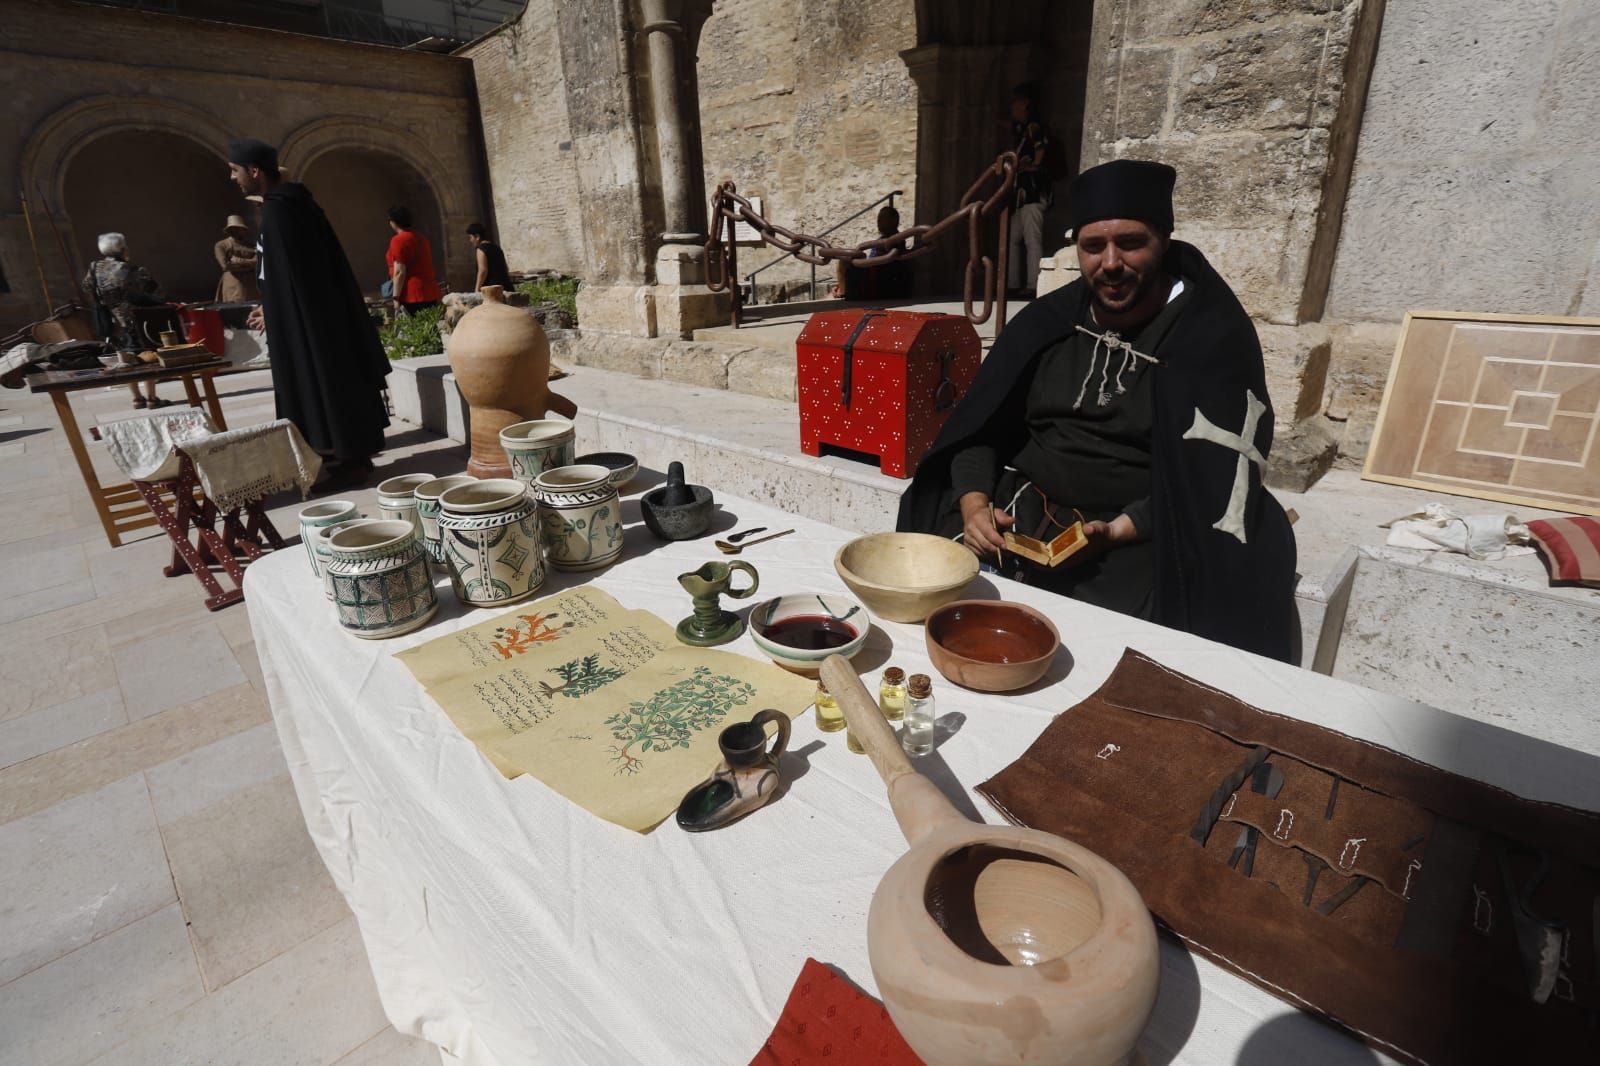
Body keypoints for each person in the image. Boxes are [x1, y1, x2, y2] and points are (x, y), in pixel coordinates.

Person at [898, 159, 1297, 662]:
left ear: (1164, 240)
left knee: (1128, 648)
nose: (1110, 262)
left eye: (1130, 242)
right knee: (931, 582)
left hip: (1139, 529)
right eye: (1093, 246)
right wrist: (975, 505)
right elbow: (980, 427)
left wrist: (1120, 531)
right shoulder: (1049, 321)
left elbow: (1217, 476)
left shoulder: (1211, 337)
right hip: (1022, 507)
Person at [227, 138, 391, 487]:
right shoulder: (290, 206)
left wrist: (275, 310)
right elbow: (285, 273)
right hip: (311, 317)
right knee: (331, 383)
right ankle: (349, 457)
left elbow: (299, 278)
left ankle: (343, 462)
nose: (232, 177)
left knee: (321, 384)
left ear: (254, 171)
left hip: (309, 323)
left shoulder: (281, 210)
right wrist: (269, 305)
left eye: (235, 170)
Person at [82, 232, 170, 409]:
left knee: (125, 361)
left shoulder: (94, 267)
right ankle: (152, 398)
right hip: (137, 320)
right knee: (148, 358)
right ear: (122, 249)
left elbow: (86, 287)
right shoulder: (133, 270)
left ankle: (137, 399)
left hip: (113, 322)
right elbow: (158, 293)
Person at [1006, 84, 1051, 299]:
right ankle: (1012, 283)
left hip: (1032, 192)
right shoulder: (1022, 130)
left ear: (1025, 103)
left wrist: (1030, 165)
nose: (1012, 106)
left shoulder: (1034, 127)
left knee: (1032, 239)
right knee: (1012, 239)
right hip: (1020, 196)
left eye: (1015, 101)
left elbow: (1040, 150)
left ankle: (1034, 285)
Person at [830, 205, 910, 300]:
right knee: (846, 258)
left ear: (894, 221)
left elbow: (887, 264)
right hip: (874, 273)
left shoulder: (896, 240)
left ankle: (843, 292)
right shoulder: (884, 239)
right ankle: (842, 290)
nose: (878, 221)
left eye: (883, 218)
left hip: (880, 279)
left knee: (845, 260)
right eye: (878, 218)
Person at [385, 205, 442, 315]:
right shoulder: (422, 238)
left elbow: (399, 271)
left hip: (411, 294)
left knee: (413, 329)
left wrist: (395, 297)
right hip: (429, 291)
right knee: (429, 329)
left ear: (393, 222)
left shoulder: (398, 240)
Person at [214, 214, 259, 301]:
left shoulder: (251, 246)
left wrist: (238, 261)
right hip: (233, 286)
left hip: (251, 286)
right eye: (234, 228)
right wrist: (249, 265)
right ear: (229, 230)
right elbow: (225, 266)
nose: (237, 231)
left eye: (239, 228)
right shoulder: (221, 245)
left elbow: (258, 262)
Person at [466, 222, 512, 292]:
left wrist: (477, 289)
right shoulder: (497, 248)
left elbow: (483, 270)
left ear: (477, 237)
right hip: (506, 286)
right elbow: (505, 268)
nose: (470, 240)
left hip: (492, 289)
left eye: (471, 237)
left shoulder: (481, 249)